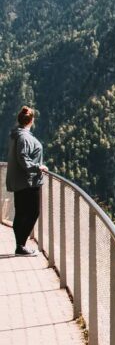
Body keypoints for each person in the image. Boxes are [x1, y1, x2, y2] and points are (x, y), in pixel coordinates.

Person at [6, 106, 47, 256]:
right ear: (31, 121)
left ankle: (19, 245)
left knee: (21, 212)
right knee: (32, 212)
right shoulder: (23, 137)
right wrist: (38, 167)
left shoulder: (16, 135)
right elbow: (23, 158)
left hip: (20, 181)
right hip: (29, 182)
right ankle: (21, 246)